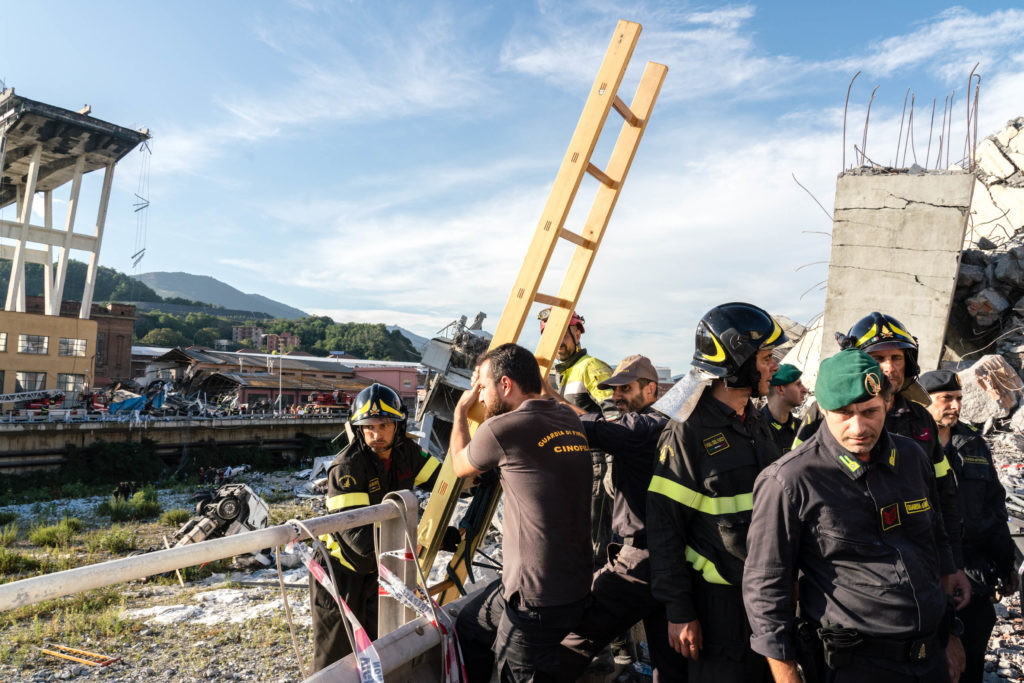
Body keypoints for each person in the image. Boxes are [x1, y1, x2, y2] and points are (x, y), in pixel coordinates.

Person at [744, 349, 964, 683]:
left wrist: (951, 636)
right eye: (843, 413)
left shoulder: (913, 457)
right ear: (823, 410)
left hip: (930, 658)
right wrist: (787, 677)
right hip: (855, 667)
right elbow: (766, 586)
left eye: (870, 412)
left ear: (887, 404)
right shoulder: (789, 480)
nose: (858, 427)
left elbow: (934, 540)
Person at [647, 302, 786, 682]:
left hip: (763, 596)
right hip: (716, 607)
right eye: (766, 357)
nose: (774, 366)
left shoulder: (755, 421)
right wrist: (679, 611)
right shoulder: (688, 432)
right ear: (739, 361)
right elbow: (664, 528)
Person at [452, 343, 592, 682]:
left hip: (536, 598)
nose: (480, 397)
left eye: (482, 387)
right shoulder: (569, 418)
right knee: (471, 625)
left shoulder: (503, 429)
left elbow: (460, 466)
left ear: (505, 384)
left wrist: (460, 413)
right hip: (575, 584)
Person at [554, 354, 687, 681]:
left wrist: (541, 409)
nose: (616, 397)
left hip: (639, 563)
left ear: (651, 389)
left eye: (625, 388)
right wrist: (555, 398)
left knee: (570, 643)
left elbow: (593, 429)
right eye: (614, 390)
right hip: (666, 563)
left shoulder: (648, 427)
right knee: (668, 663)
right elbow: (597, 422)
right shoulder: (660, 425)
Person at [310, 383, 440, 672]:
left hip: (376, 569)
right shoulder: (347, 468)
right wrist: (420, 536)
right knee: (336, 659)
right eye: (369, 427)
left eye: (384, 425)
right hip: (340, 575)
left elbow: (445, 482)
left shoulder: (408, 453)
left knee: (380, 650)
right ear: (358, 428)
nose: (377, 435)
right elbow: (360, 542)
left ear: (398, 425)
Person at [920, 369, 1019, 683]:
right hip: (927, 575)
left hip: (973, 574)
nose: (954, 405)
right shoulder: (908, 447)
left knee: (970, 660)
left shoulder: (973, 444)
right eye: (946, 398)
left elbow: (994, 510)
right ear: (923, 404)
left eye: (958, 399)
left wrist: (1006, 566)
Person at [539, 308, 618, 567]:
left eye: (563, 335)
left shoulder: (591, 367)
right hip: (568, 465)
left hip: (595, 464)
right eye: (550, 336)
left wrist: (554, 397)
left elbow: (615, 421)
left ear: (577, 333)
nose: (558, 343)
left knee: (596, 541)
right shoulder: (557, 374)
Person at [761, 363, 807, 455]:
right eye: (798, 384)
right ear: (781, 389)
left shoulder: (803, 428)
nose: (805, 390)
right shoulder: (755, 430)